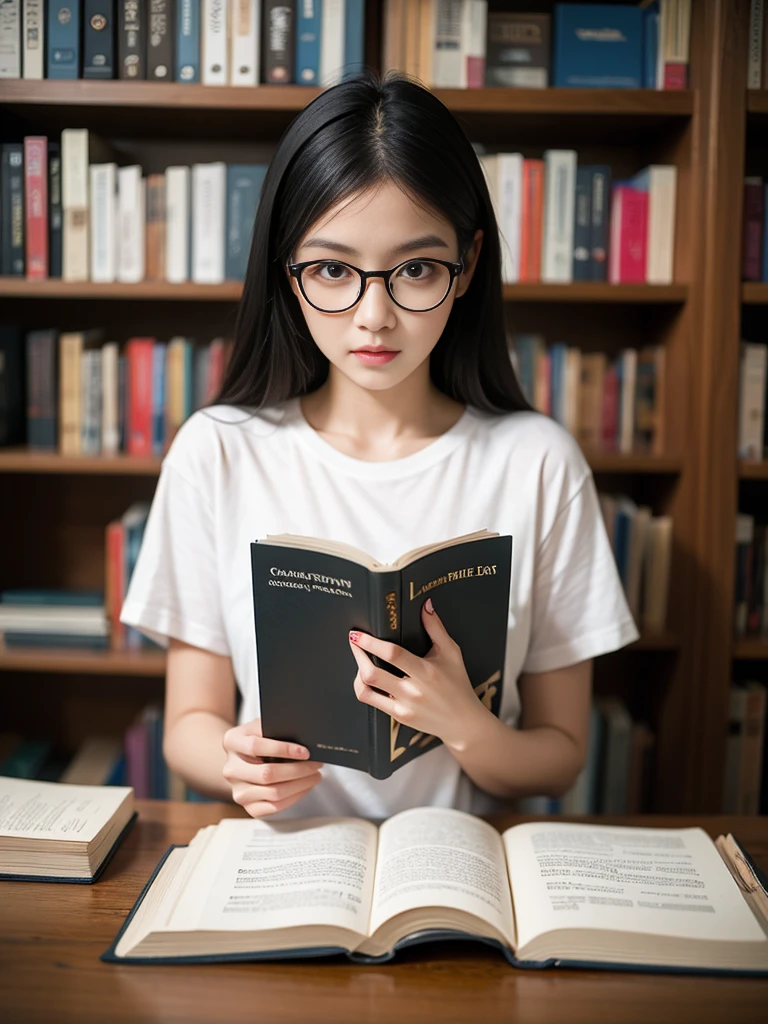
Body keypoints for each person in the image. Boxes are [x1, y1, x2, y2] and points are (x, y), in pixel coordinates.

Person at [120, 70, 639, 820]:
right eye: (333, 269)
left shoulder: (537, 462)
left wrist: (466, 727)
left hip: (455, 881)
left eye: (417, 269)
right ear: (286, 275)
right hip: (291, 875)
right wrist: (236, 762)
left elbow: (559, 755)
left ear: (467, 268)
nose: (375, 316)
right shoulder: (218, 452)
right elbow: (187, 726)